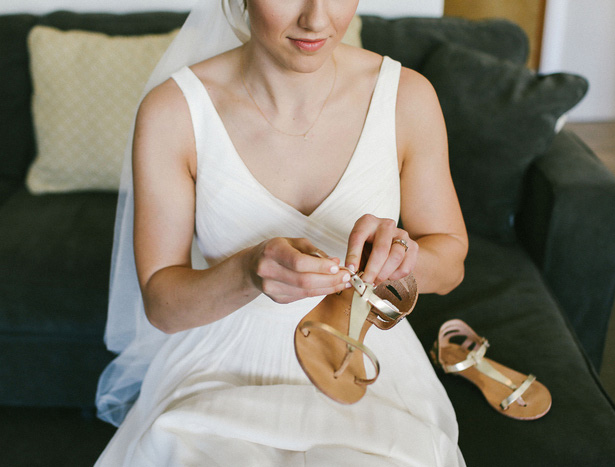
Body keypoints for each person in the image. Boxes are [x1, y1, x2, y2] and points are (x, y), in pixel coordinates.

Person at [95, 0, 468, 465]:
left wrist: (401, 260)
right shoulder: (173, 111)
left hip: (360, 355)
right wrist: (248, 273)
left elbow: (450, 264)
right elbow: (162, 307)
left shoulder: (407, 97)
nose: (316, 19)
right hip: (219, 370)